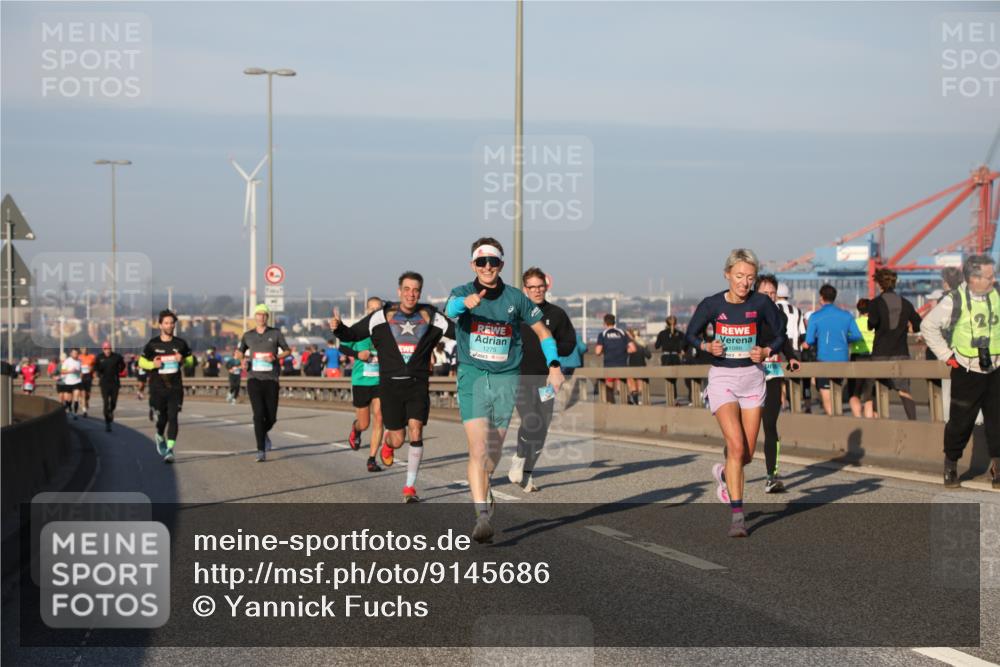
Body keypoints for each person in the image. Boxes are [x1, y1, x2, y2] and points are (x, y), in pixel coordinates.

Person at [446, 239, 564, 543]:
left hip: (506, 379)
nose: (487, 266)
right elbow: (450, 309)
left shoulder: (516, 298)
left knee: (492, 454)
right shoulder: (462, 292)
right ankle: (481, 516)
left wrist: (554, 365)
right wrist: (465, 304)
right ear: (473, 264)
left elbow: (542, 331)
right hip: (472, 377)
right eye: (481, 261)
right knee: (478, 449)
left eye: (493, 261)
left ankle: (485, 486)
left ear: (501, 264)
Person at [686, 249, 785, 537]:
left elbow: (781, 334)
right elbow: (690, 334)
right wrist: (706, 346)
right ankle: (738, 518)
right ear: (727, 274)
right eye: (739, 276)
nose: (745, 283)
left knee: (748, 453)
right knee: (737, 446)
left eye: (750, 278)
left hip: (753, 380)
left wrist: (767, 350)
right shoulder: (712, 304)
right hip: (723, 379)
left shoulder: (762, 302)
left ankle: (723, 473)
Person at [333, 272, 455, 503]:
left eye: (416, 290)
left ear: (420, 292)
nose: (411, 294)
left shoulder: (430, 316)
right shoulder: (381, 316)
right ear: (399, 291)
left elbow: (459, 333)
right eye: (407, 289)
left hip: (417, 385)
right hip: (389, 388)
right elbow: (352, 334)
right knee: (398, 440)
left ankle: (409, 487)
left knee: (417, 431)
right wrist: (338, 328)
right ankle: (388, 444)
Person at [921, 255, 999, 489]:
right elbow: (928, 326)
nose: (994, 279)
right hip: (967, 369)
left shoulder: (997, 294)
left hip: (996, 368)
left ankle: (998, 468)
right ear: (973, 278)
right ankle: (951, 464)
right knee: (960, 422)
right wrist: (947, 356)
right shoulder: (954, 301)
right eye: (989, 276)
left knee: (998, 420)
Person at [508, 267, 578, 492]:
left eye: (540, 286)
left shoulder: (557, 314)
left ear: (546, 287)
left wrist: (551, 347)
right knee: (530, 420)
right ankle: (518, 459)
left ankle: (528, 473)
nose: (537, 291)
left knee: (542, 426)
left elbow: (570, 343)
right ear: (525, 289)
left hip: (548, 380)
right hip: (521, 377)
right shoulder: (516, 314)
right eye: (532, 287)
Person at [755, 275, 801, 492]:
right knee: (747, 430)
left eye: (772, 293)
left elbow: (783, 340)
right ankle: (731, 467)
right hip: (750, 376)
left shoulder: (780, 315)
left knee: (770, 425)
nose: (770, 296)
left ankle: (771, 475)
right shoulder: (749, 314)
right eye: (765, 293)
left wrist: (792, 357)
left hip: (773, 373)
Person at [236, 304, 291, 462]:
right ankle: (261, 449)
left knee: (271, 417)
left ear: (267, 317)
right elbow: (240, 351)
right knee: (258, 415)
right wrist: (242, 360)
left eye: (264, 315)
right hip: (254, 379)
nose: (261, 317)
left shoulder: (275, 333)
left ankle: (262, 433)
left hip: (271, 379)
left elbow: (287, 350)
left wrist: (276, 357)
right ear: (255, 317)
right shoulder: (248, 335)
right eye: (258, 315)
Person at [866, 268, 922, 420]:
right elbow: (918, 324)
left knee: (879, 390)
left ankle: (880, 425)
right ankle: (913, 422)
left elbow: (872, 323)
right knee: (904, 390)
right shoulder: (906, 303)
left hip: (880, 353)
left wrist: (871, 322)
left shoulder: (875, 303)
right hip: (901, 352)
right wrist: (909, 327)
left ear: (879, 284)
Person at [138, 310, 194, 463]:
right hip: (158, 387)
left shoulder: (180, 344)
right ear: (160, 325)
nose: (170, 326)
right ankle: (159, 435)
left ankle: (170, 450)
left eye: (172, 323)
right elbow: (141, 362)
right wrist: (152, 364)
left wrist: (182, 360)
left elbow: (191, 362)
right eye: (166, 323)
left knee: (173, 417)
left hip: (175, 387)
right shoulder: (153, 344)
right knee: (162, 418)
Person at [341, 297, 386, 473]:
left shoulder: (387, 330)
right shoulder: (358, 329)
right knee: (364, 423)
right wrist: (357, 354)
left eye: (378, 309)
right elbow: (342, 348)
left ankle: (372, 458)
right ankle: (356, 429)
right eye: (371, 309)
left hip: (380, 380)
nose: (374, 311)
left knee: (380, 417)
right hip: (360, 381)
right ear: (366, 310)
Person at [804, 284, 863, 416]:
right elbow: (857, 335)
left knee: (826, 397)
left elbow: (809, 340)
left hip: (824, 359)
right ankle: (839, 421)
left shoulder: (815, 316)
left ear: (821, 298)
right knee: (837, 393)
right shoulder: (846, 315)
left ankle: (836, 425)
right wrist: (843, 339)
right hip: (842, 358)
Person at [595, 314, 634, 403]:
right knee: (622, 385)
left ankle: (611, 405)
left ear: (604, 323)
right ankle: (627, 402)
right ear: (614, 322)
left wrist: (605, 351)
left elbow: (597, 352)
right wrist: (622, 351)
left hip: (609, 365)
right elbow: (633, 349)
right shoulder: (622, 332)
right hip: (622, 364)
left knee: (609, 387)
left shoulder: (603, 334)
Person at [848, 298, 876, 419]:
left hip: (857, 358)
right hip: (872, 358)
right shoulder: (875, 323)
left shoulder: (854, 323)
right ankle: (869, 420)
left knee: (854, 393)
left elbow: (848, 339)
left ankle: (858, 419)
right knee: (869, 395)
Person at [94, 341, 125, 432]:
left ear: (111, 349)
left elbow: (123, 365)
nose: (107, 351)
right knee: (106, 402)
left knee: (113, 402)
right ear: (103, 349)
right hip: (104, 383)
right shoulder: (99, 357)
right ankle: (107, 422)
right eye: (105, 349)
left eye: (109, 349)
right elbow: (95, 367)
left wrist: (119, 370)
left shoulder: (116, 357)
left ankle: (111, 411)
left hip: (115, 382)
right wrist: (99, 374)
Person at [655, 315, 686, 401]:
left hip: (665, 357)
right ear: (675, 323)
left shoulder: (662, 333)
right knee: (674, 379)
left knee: (668, 378)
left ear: (666, 323)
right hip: (675, 356)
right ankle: (674, 397)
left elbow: (657, 346)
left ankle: (670, 398)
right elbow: (684, 345)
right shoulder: (680, 334)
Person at [626, 327, 652, 405]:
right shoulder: (642, 343)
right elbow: (649, 356)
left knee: (632, 386)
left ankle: (635, 401)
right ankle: (639, 401)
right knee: (640, 386)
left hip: (630, 366)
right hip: (641, 365)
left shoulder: (628, 344)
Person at [56, 349, 83, 419]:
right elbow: (62, 371)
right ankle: (70, 409)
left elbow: (81, 370)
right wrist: (70, 371)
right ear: (71, 354)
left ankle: (75, 413)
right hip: (68, 382)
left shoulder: (80, 361)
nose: (75, 355)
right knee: (69, 399)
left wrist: (79, 373)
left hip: (77, 381)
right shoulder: (67, 361)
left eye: (76, 353)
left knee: (76, 397)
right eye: (73, 353)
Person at [78, 347, 97, 418]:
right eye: (83, 349)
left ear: (87, 350)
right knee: (83, 394)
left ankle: (86, 402)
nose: (84, 351)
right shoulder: (79, 357)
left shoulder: (91, 357)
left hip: (89, 376)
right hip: (81, 377)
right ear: (81, 350)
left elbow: (95, 365)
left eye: (85, 349)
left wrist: (93, 370)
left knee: (88, 395)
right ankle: (84, 411)